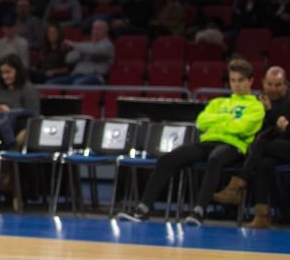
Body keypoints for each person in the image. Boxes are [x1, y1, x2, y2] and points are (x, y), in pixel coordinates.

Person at [116, 58, 265, 226]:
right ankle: (142, 210)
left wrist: (218, 121)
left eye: (240, 80)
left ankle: (198, 212)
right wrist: (229, 119)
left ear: (251, 81)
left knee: (215, 158)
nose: (236, 85)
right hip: (207, 142)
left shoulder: (256, 106)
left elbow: (243, 128)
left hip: (234, 146)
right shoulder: (218, 102)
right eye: (232, 80)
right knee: (167, 159)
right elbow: (201, 122)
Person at [212, 66, 290, 227]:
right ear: (263, 83)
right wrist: (268, 114)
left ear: (285, 85)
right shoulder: (258, 101)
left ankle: (236, 187)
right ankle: (262, 216)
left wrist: (271, 114)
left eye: (278, 85)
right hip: (275, 149)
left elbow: (283, 131)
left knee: (261, 145)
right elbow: (265, 130)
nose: (273, 89)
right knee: (261, 164)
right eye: (270, 84)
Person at [0, 54, 40, 148]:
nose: (5, 76)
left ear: (18, 71)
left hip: (20, 128)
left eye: (8, 72)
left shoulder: (27, 89)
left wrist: (11, 111)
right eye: (2, 73)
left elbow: (34, 115)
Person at [49, 19, 114, 85]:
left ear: (106, 32)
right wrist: (81, 52)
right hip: (76, 76)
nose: (95, 31)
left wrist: (74, 45)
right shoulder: (85, 45)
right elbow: (68, 60)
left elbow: (95, 51)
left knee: (78, 84)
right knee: (51, 83)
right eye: (94, 28)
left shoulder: (107, 45)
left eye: (98, 29)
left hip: (95, 76)